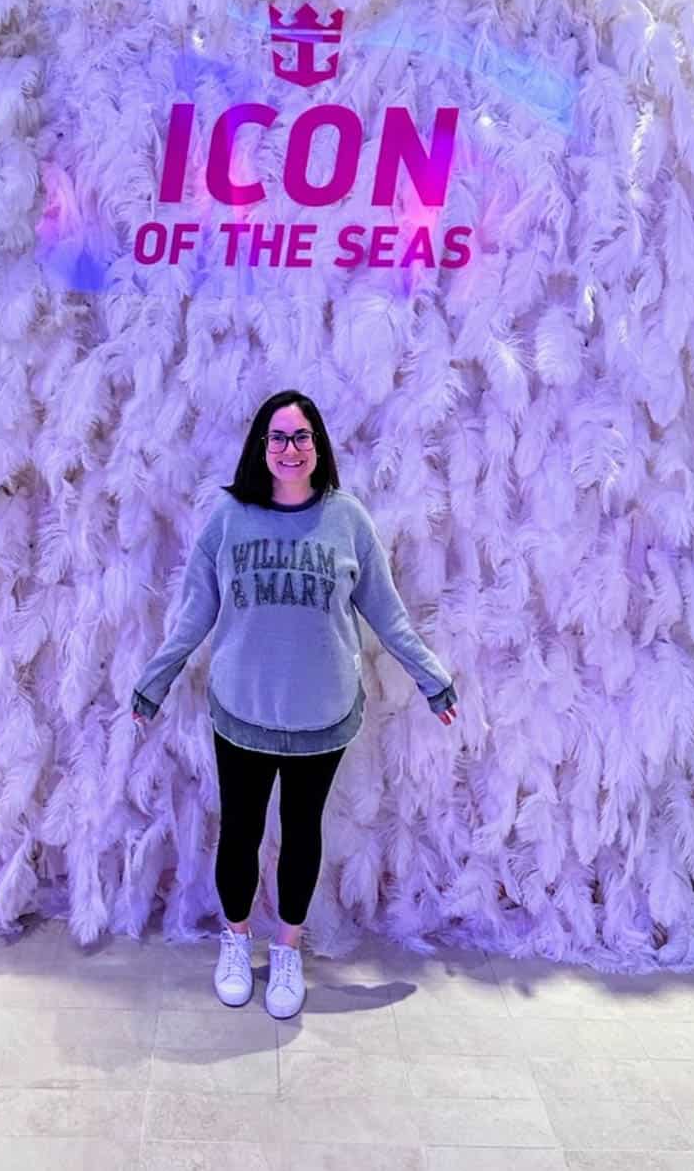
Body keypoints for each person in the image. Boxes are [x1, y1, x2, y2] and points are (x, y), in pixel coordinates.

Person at [131, 388, 458, 1019]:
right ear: (261, 446)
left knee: (303, 833)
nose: (289, 448)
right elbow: (194, 614)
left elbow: (388, 616)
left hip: (322, 714)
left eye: (301, 437)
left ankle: (286, 950)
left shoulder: (349, 520)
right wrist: (154, 681)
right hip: (242, 710)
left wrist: (433, 679)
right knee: (241, 831)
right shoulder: (229, 518)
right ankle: (234, 940)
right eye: (278, 437)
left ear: (318, 446)